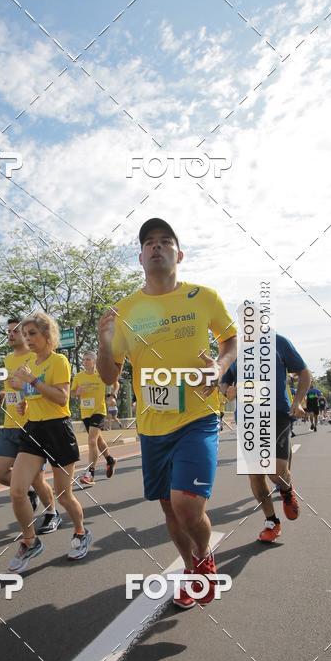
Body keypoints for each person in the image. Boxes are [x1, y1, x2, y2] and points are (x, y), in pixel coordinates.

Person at [97, 217, 237, 610]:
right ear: (140, 257)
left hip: (199, 416)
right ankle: (191, 567)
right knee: (168, 507)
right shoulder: (126, 310)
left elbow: (230, 339)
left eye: (165, 241)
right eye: (149, 243)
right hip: (153, 425)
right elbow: (110, 375)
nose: (157, 247)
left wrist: (220, 367)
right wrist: (105, 345)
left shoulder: (203, 297)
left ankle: (205, 558)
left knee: (187, 503)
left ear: (179, 253)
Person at [7, 312, 92, 572]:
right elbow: (34, 396)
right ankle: (30, 541)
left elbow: (61, 398)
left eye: (32, 334)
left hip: (57, 430)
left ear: (47, 335)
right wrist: (24, 404)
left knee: (64, 495)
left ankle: (80, 532)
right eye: (25, 334)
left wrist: (32, 380)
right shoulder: (30, 362)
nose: (27, 339)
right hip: (34, 430)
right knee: (17, 490)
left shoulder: (59, 361)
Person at [220, 335, 310, 543]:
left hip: (277, 413)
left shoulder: (280, 342)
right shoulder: (236, 349)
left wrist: (297, 401)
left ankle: (286, 490)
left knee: (275, 470)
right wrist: (227, 391)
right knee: (256, 475)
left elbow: (304, 373)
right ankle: (272, 522)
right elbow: (224, 381)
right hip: (247, 418)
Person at [0, 317, 61, 535]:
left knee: (38, 478)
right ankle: (25, 490)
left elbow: (41, 390)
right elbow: (9, 387)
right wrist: (3, 394)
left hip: (30, 425)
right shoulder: (8, 359)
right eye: (8, 332)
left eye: (15, 331)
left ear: (27, 335)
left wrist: (25, 386)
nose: (10, 335)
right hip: (9, 424)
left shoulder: (37, 357)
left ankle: (52, 513)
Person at [72, 350, 117, 485]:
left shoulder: (102, 375)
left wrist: (113, 395)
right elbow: (72, 393)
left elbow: (116, 383)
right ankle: (110, 460)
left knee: (91, 440)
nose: (84, 362)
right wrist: (76, 392)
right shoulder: (79, 376)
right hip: (85, 413)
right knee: (98, 440)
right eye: (83, 359)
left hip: (99, 411)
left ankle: (90, 473)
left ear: (94, 361)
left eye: (88, 359)